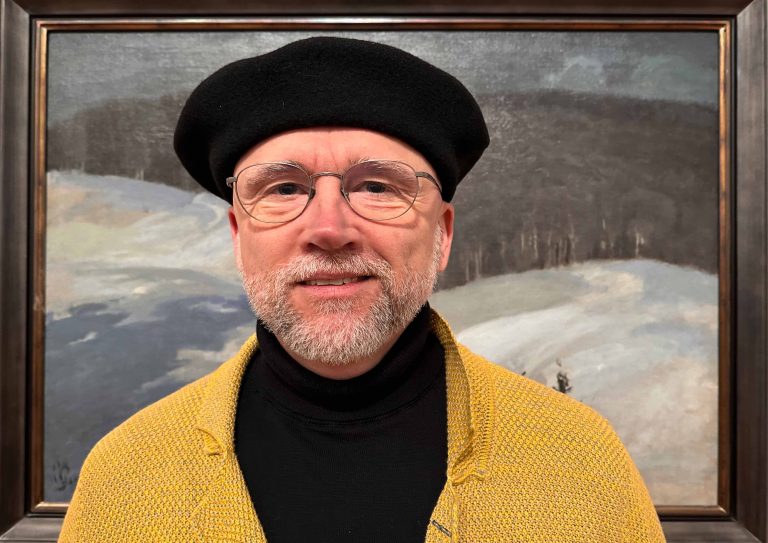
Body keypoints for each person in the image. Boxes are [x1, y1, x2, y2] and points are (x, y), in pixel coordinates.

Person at [58, 37, 666, 542]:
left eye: (377, 187)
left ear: (442, 235)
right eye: (284, 189)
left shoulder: (581, 463)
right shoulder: (126, 476)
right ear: (239, 235)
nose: (329, 230)